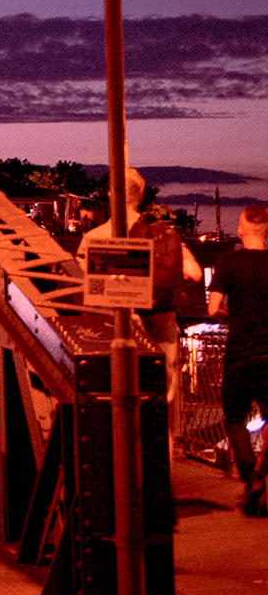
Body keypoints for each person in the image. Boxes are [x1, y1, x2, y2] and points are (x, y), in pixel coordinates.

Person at [83, 167, 201, 440]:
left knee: (119, 398)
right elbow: (194, 273)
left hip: (116, 328)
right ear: (142, 195)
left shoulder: (95, 238)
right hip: (161, 322)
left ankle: (124, 465)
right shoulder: (158, 234)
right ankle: (162, 463)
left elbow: (85, 291)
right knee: (163, 395)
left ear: (111, 194)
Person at [209, 205, 268, 517]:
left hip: (240, 351)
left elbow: (212, 309)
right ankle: (263, 471)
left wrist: (237, 316)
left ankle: (249, 475)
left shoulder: (229, 262)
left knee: (235, 418)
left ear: (241, 231)